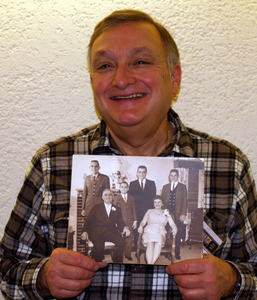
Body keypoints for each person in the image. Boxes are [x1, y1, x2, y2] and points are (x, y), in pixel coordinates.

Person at [0, 8, 257, 300]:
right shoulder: (51, 163)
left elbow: (253, 270)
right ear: (92, 80)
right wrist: (43, 278)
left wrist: (232, 281)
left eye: (140, 61)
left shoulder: (229, 165)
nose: (121, 79)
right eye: (105, 65)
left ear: (174, 78)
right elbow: (7, 268)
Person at [81, 189, 130, 263]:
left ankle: (116, 262)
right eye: (106, 195)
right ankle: (98, 263)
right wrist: (84, 231)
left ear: (113, 196)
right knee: (99, 245)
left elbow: (120, 222)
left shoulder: (117, 209)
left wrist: (125, 227)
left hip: (111, 232)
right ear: (102, 197)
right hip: (97, 232)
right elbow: (88, 221)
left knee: (121, 242)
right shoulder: (96, 207)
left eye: (110, 194)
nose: (108, 196)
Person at [138, 196, 177, 264]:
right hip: (149, 231)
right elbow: (143, 222)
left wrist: (175, 228)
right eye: (155, 202)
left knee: (159, 242)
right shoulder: (149, 211)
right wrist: (141, 226)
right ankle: (151, 265)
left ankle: (150, 264)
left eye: (159, 202)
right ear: (153, 204)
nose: (157, 204)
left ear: (162, 204)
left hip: (160, 232)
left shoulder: (166, 212)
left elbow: (172, 224)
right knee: (150, 243)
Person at [161, 169, 187, 260]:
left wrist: (183, 214)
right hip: (167, 213)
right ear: (169, 176)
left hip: (178, 214)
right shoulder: (165, 187)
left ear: (178, 176)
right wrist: (162, 212)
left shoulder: (182, 187)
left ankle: (176, 253)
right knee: (167, 232)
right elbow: (162, 201)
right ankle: (167, 252)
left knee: (177, 233)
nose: (173, 177)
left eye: (175, 175)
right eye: (171, 175)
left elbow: (185, 202)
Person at [113, 181, 137, 261]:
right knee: (120, 238)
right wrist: (115, 222)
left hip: (130, 220)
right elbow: (114, 210)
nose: (124, 188)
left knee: (129, 239)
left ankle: (128, 254)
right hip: (120, 222)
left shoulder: (131, 197)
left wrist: (135, 221)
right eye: (122, 187)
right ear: (119, 188)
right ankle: (120, 254)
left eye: (125, 187)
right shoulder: (116, 198)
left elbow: (134, 209)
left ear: (128, 188)